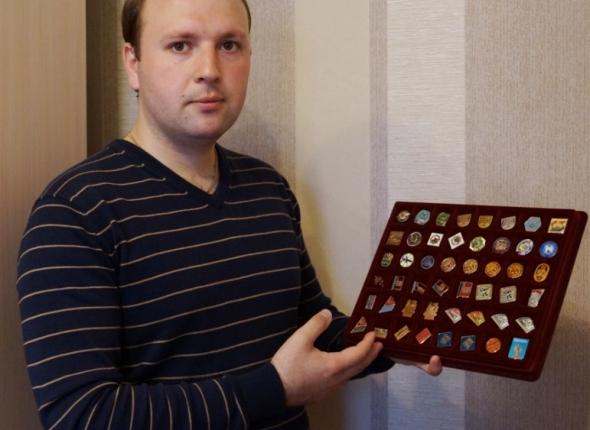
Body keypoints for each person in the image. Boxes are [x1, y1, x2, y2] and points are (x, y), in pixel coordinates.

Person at [16, 0, 442, 428]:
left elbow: (310, 325)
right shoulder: (74, 213)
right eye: (180, 45)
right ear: (133, 63)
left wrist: (402, 335)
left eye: (229, 45)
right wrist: (275, 390)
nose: (210, 70)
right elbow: (80, 415)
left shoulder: (269, 188)